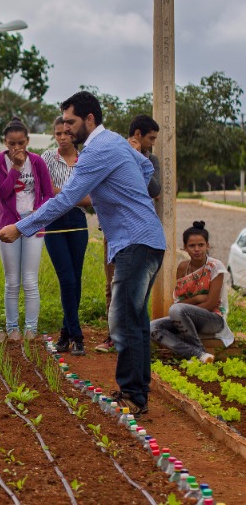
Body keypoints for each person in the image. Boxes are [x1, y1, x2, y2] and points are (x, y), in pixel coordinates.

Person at [0, 91, 166, 416]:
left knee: (125, 319)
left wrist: (21, 227)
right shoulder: (116, 141)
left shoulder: (96, 151)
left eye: (71, 122)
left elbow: (65, 199)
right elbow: (144, 168)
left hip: (134, 240)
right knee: (137, 319)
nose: (67, 128)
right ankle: (138, 393)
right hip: (148, 238)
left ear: (89, 119)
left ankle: (132, 396)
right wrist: (127, 196)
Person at [96, 114, 162, 353]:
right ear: (137, 135)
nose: (152, 143)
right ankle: (112, 335)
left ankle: (130, 338)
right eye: (150, 138)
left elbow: (155, 190)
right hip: (115, 231)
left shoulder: (148, 158)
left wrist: (138, 156)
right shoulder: (115, 152)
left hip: (139, 232)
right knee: (111, 283)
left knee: (135, 288)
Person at [0, 118, 54, 340]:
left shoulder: (37, 162)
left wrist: (38, 215)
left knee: (30, 279)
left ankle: (30, 328)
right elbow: (2, 193)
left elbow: (48, 194)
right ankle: (12, 329)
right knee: (12, 280)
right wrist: (16, 168)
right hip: (8, 224)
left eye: (21, 143)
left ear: (28, 141)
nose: (16, 148)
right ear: (5, 142)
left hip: (34, 224)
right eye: (12, 143)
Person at [41, 116, 93, 355]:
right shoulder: (47, 158)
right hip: (54, 221)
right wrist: (74, 195)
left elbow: (91, 199)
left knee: (76, 277)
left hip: (77, 220)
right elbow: (45, 191)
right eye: (58, 133)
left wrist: (62, 193)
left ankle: (64, 335)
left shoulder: (86, 159)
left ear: (74, 134)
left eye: (67, 133)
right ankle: (77, 336)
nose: (62, 137)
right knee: (66, 278)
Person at [151, 222, 233, 363]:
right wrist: (196, 298)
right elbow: (178, 302)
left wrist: (184, 312)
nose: (197, 249)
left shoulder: (215, 267)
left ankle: (196, 353)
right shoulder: (183, 267)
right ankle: (198, 354)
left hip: (213, 320)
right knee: (152, 327)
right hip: (185, 317)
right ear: (185, 248)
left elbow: (211, 303)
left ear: (207, 246)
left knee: (176, 310)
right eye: (192, 246)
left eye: (201, 245)